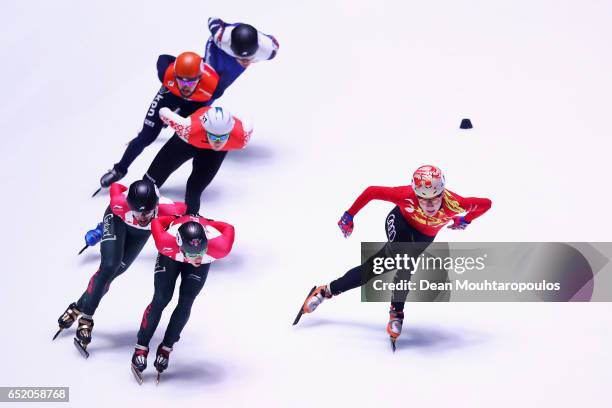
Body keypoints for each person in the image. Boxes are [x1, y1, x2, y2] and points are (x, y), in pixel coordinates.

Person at [295, 165, 492, 347]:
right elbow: (372, 191)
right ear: (415, 194)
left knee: (374, 268)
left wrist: (466, 219)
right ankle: (396, 311)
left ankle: (327, 290)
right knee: (404, 263)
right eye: (423, 199)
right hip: (400, 224)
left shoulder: (456, 203)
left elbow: (486, 204)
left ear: (443, 192)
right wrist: (349, 215)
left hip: (423, 237)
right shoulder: (404, 195)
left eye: (435, 198)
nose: (430, 205)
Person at [54, 180, 186, 357]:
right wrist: (100, 230)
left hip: (140, 234)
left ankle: (77, 307)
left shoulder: (169, 209)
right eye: (137, 212)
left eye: (147, 212)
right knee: (109, 265)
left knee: (116, 271)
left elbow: (187, 213)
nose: (142, 217)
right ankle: (86, 320)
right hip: (117, 221)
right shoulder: (119, 203)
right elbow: (116, 187)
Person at [130, 214, 235, 384]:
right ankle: (141, 347)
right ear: (180, 246)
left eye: (201, 252)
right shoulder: (165, 241)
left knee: (187, 300)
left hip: (197, 238)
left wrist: (209, 223)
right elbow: (157, 221)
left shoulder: (219, 247)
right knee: (161, 298)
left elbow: (229, 228)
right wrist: (174, 218)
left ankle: (166, 347)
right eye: (193, 255)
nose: (199, 259)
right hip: (170, 256)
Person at [98, 52, 219, 189]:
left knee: (181, 139)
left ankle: (176, 114)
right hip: (169, 95)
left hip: (194, 104)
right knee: (146, 136)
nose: (185, 86)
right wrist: (177, 64)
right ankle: (119, 169)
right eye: (180, 80)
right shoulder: (165, 74)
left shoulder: (214, 86)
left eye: (190, 82)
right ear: (174, 75)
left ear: (200, 77)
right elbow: (163, 58)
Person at [143, 106, 252, 214]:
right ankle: (139, 198)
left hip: (213, 153)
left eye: (223, 137)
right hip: (186, 142)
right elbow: (163, 112)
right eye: (213, 137)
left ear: (230, 133)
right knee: (151, 179)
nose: (217, 142)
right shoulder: (187, 129)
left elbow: (247, 119)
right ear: (205, 131)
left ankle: (190, 220)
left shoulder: (241, 137)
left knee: (194, 190)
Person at [205, 17, 279, 101]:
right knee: (208, 81)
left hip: (237, 46)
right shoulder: (221, 38)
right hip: (220, 49)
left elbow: (275, 43)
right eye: (241, 57)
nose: (245, 62)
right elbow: (212, 19)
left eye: (249, 57)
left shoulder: (268, 50)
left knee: (218, 91)